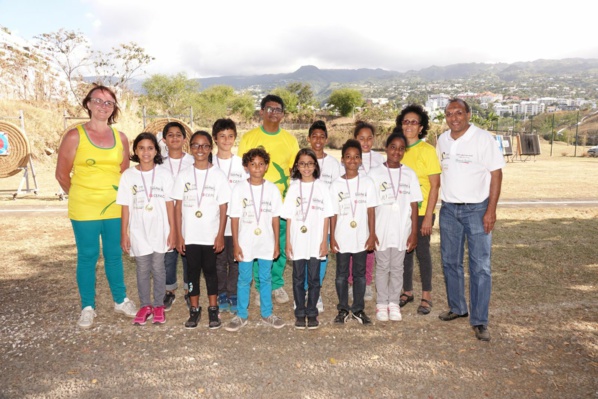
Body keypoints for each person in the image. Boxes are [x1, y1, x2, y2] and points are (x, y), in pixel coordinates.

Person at [56, 84, 137, 329]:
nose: (103, 106)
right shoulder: (74, 135)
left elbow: (124, 173)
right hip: (84, 209)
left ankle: (120, 301)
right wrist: (82, 197)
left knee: (114, 256)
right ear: (88, 104)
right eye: (98, 101)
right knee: (88, 257)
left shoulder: (121, 137)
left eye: (109, 103)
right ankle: (88, 307)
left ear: (113, 109)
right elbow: (61, 175)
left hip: (114, 207)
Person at [436, 98, 504, 342]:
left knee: (480, 266)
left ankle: (480, 320)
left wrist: (491, 210)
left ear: (468, 114)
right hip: (449, 210)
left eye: (459, 113)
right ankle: (457, 307)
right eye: (449, 113)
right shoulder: (442, 140)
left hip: (477, 209)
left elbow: (496, 174)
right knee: (450, 262)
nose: (454, 117)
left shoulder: (483, 138)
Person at [237, 94, 300, 306]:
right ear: (262, 112)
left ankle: (276, 283)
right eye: (270, 109)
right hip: (253, 204)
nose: (274, 113)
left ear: (283, 115)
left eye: (278, 109)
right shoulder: (249, 138)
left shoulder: (290, 140)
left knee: (279, 244)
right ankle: (260, 286)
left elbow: (295, 172)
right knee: (255, 241)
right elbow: (242, 168)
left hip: (279, 202)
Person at [172, 131, 231, 330]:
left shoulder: (218, 175)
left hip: (210, 235)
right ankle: (194, 309)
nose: (200, 150)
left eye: (205, 146)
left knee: (211, 273)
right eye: (196, 146)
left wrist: (220, 235)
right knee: (192, 274)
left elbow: (223, 208)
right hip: (190, 236)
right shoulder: (184, 175)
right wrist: (179, 235)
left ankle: (213, 309)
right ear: (190, 148)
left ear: (210, 149)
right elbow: (178, 207)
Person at [117, 133, 176, 325]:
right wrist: (124, 233)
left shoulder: (164, 174)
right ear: (135, 151)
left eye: (150, 148)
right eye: (141, 148)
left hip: (160, 230)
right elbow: (125, 206)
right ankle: (145, 305)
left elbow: (170, 205)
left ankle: (158, 305)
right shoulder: (128, 176)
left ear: (156, 151)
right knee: (142, 268)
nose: (146, 152)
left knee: (158, 268)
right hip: (138, 230)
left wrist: (173, 231)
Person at [225, 148, 285, 332]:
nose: (257, 167)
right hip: (245, 242)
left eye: (261, 164)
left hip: (266, 241)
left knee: (265, 278)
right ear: (246, 167)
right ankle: (241, 314)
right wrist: (235, 244)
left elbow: (275, 218)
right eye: (253, 164)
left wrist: (276, 243)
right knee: (244, 278)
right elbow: (234, 218)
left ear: (266, 166)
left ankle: (267, 313)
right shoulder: (239, 189)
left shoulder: (272, 189)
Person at [369, 132, 422, 322]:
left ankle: (393, 302)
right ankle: (381, 303)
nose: (396, 152)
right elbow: (370, 205)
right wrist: (371, 232)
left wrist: (414, 232)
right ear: (386, 148)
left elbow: (414, 205)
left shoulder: (409, 173)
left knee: (397, 267)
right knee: (383, 266)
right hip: (381, 229)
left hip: (402, 229)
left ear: (404, 151)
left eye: (401, 148)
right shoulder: (374, 173)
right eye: (393, 147)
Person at [395, 105, 441, 315]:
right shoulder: (398, 150)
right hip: (402, 212)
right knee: (405, 252)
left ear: (421, 126)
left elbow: (435, 185)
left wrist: (428, 217)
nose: (409, 125)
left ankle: (427, 295)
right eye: (406, 121)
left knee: (422, 253)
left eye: (414, 122)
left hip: (422, 212)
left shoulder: (427, 150)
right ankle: (407, 291)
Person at [283, 149, 333, 330]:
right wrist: (288, 241)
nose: (306, 167)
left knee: (313, 278)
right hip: (297, 240)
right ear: (297, 166)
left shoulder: (322, 187)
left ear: (315, 166)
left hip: (315, 240)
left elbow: (327, 216)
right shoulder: (293, 187)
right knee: (297, 278)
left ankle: (312, 312)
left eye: (310, 163)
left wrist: (324, 242)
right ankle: (299, 312)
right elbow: (288, 217)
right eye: (302, 164)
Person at [330, 139, 379, 325]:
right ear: (342, 160)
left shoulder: (367, 183)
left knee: (359, 274)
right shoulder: (335, 185)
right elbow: (333, 214)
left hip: (361, 236)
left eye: (356, 157)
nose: (352, 160)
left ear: (361, 160)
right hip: (342, 236)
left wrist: (372, 234)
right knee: (341, 274)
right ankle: (343, 308)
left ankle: (358, 309)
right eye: (348, 157)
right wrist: (332, 236)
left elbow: (371, 211)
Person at [212, 118, 248, 314]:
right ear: (215, 139)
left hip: (237, 223)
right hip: (215, 223)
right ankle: (221, 292)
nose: (226, 140)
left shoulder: (242, 164)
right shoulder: (209, 164)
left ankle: (233, 292)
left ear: (235, 138)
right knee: (218, 261)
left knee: (235, 260)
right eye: (222, 136)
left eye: (230, 136)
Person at [306, 120, 342, 312]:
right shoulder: (303, 160)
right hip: (305, 220)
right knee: (304, 257)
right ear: (308, 138)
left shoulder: (333, 164)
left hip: (325, 220)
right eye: (314, 136)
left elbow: (337, 193)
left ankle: (315, 292)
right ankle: (304, 290)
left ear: (326, 139)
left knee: (321, 258)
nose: (318, 140)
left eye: (322, 136)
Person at [158, 122, 194, 311]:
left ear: (184, 139)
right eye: (170, 135)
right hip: (165, 216)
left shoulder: (192, 161)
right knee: (168, 255)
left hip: (188, 215)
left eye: (178, 135)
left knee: (188, 255)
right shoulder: (158, 163)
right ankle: (169, 290)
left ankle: (190, 291)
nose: (174, 138)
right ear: (164, 140)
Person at [350, 120, 384, 301]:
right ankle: (351, 281)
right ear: (355, 138)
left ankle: (366, 282)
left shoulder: (380, 159)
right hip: (353, 210)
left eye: (369, 138)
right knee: (352, 245)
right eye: (361, 138)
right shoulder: (350, 158)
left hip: (374, 209)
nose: (365, 142)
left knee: (369, 246)